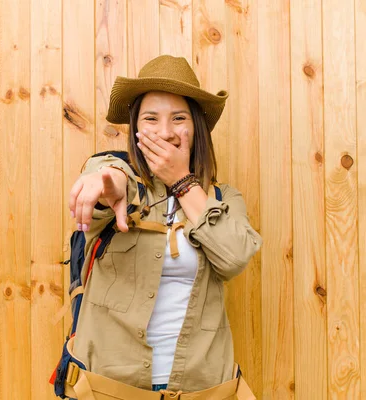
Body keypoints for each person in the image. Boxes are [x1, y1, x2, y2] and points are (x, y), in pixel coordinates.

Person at [67, 55, 262, 399]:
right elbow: (110, 178)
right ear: (136, 128)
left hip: (201, 388)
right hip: (108, 388)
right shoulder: (116, 174)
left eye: (178, 118)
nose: (165, 131)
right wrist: (106, 182)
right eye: (151, 119)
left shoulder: (222, 199)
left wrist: (183, 182)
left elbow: (234, 258)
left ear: (196, 127)